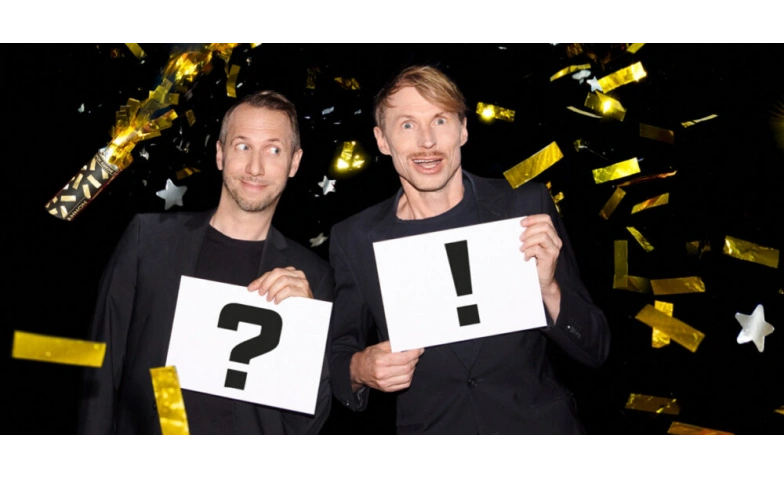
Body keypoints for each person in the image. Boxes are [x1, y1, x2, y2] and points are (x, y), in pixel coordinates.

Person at [327, 65, 611, 439]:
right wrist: (360, 369)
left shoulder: (524, 209)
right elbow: (337, 358)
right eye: (407, 125)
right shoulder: (355, 239)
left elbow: (595, 348)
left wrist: (548, 289)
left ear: (463, 129)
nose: (427, 141)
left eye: (440, 120)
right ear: (382, 140)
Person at [77, 90, 334, 439]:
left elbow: (305, 427)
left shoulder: (313, 277)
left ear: (294, 162)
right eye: (243, 146)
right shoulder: (148, 240)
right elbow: (101, 366)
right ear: (220, 153)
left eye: (273, 150)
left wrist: (305, 327)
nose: (255, 167)